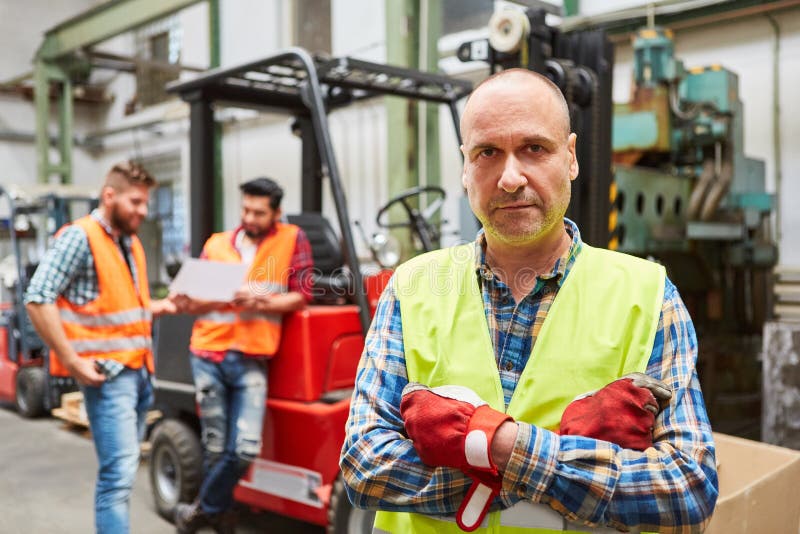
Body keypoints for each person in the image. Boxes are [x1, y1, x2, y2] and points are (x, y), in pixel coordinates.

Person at [340, 69, 719, 533]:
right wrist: (565, 464)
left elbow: (687, 484)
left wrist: (499, 445)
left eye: (534, 149)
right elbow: (364, 466)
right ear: (465, 166)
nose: (510, 177)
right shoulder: (412, 286)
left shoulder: (648, 294)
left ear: (572, 157)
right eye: (488, 153)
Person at [25, 161, 180, 534]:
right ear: (109, 195)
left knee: (123, 473)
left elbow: (120, 305)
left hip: (141, 372)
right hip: (110, 379)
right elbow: (37, 297)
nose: (143, 211)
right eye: (136, 202)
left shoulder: (130, 242)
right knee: (117, 478)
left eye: (146, 203)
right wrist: (71, 360)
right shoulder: (81, 237)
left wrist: (161, 306)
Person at [173, 177, 314, 533]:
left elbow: (300, 295)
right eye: (246, 209)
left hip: (252, 355)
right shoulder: (217, 244)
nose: (250, 217)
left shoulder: (291, 239)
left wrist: (261, 300)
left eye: (259, 212)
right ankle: (220, 515)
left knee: (245, 449)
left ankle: (203, 508)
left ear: (276, 212)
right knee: (216, 447)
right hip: (208, 352)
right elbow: (194, 298)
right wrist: (222, 295)